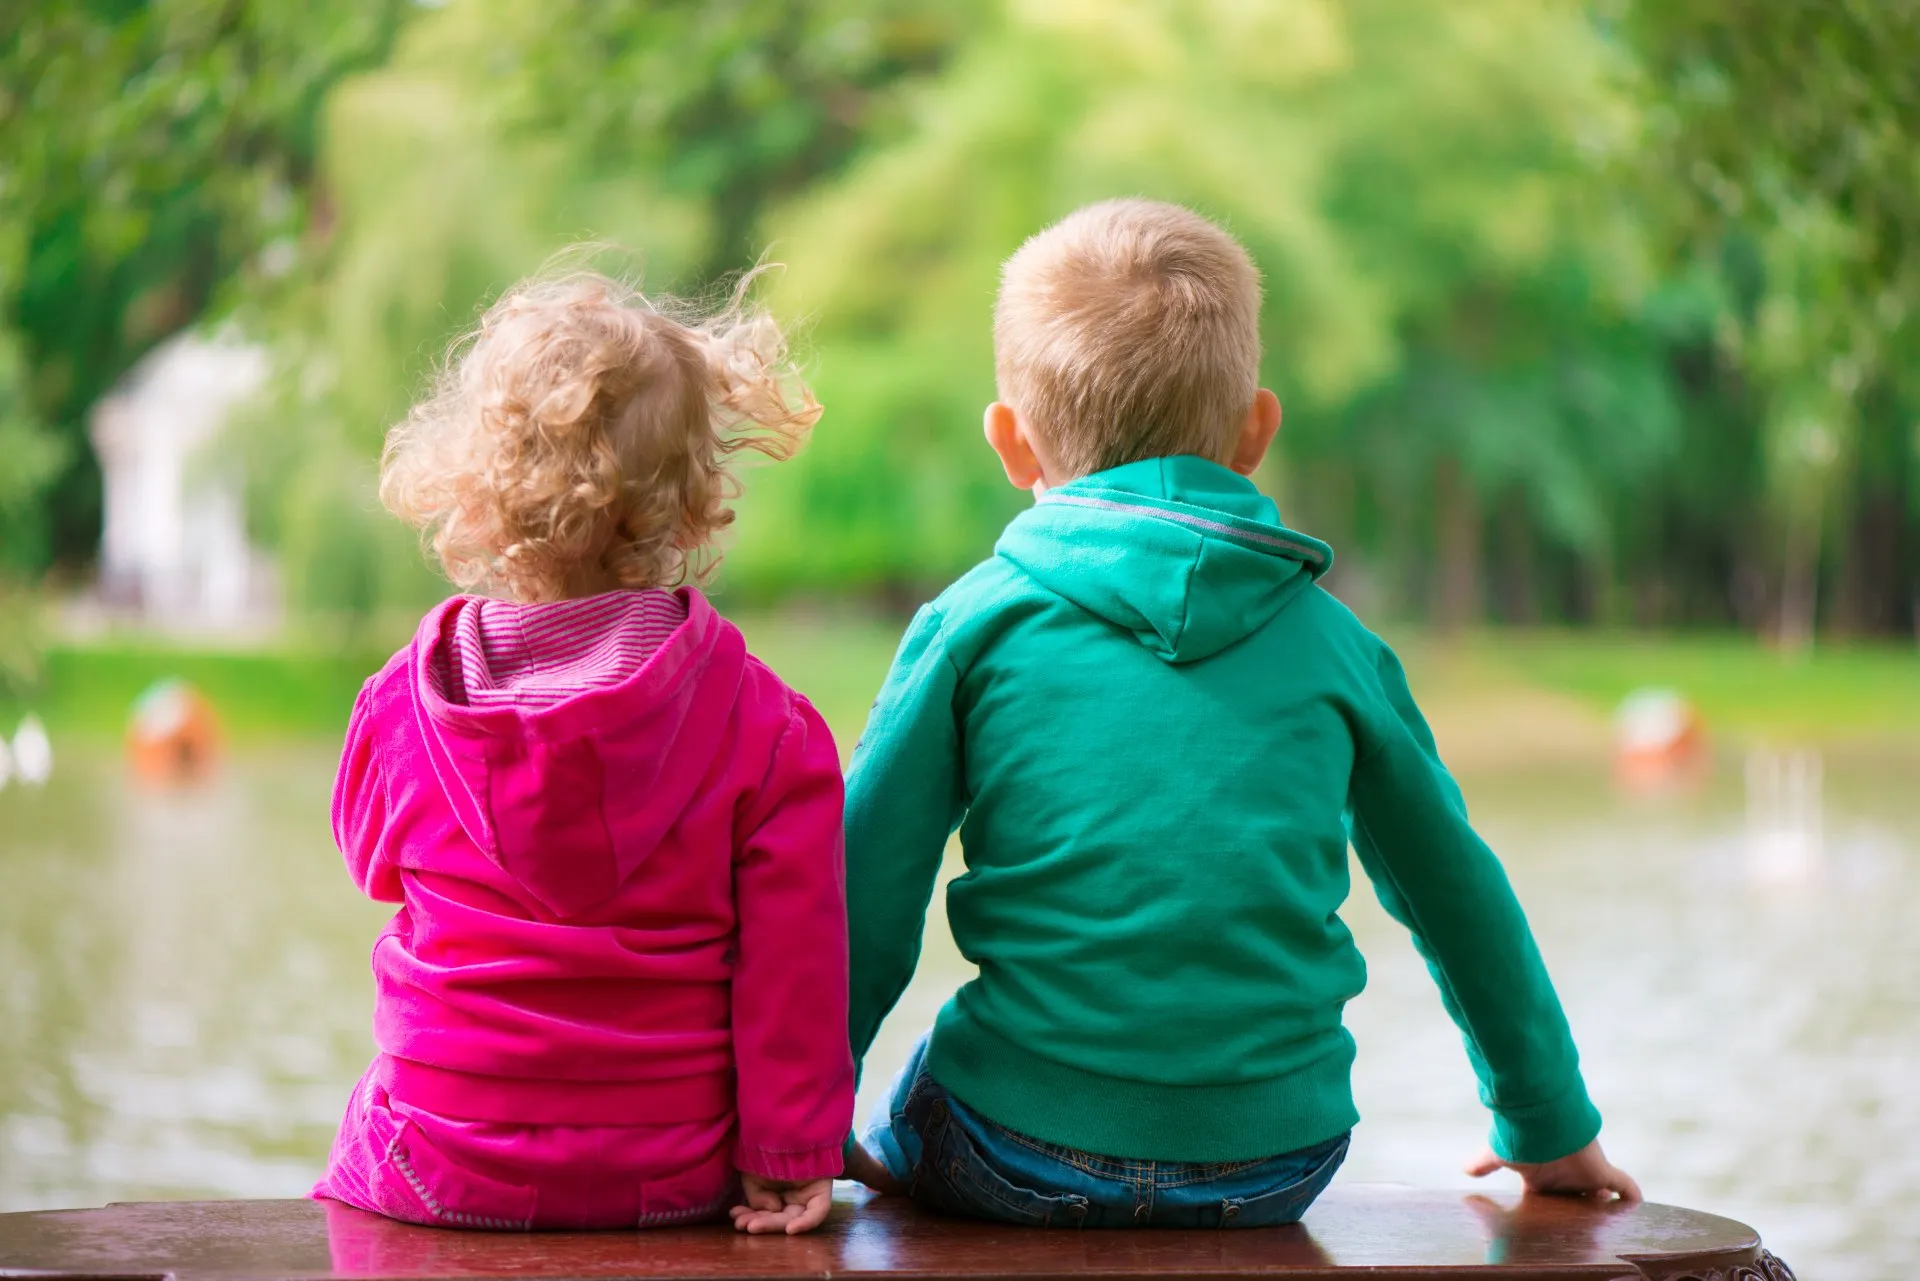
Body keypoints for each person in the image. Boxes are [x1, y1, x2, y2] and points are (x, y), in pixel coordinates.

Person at [839, 199, 1639, 1228]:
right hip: (1274, 1162)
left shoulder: (972, 627)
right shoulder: (1341, 650)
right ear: (1256, 431)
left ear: (1011, 442)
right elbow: (1456, 896)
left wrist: (799, 1127)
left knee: (922, 1097)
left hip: (1010, 1150)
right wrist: (1547, 1124)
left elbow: (864, 888)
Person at [313, 265, 852, 1235]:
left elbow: (369, 863)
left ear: (471, 497)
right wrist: (787, 1160)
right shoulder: (769, 732)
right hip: (675, 1170)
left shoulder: (405, 707)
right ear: (693, 507)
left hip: (440, 1160)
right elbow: (794, 969)